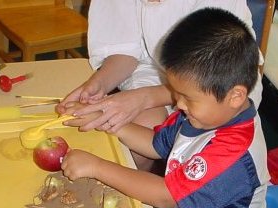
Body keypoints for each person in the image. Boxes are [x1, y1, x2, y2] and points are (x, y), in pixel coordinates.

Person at [61, 7, 272, 208]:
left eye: (187, 97)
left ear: (235, 95)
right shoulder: (201, 115)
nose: (179, 105)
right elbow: (155, 144)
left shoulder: (234, 151)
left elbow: (165, 194)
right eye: (177, 94)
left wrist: (96, 166)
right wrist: (108, 123)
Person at [56, 0, 264, 171]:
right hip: (157, 69)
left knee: (140, 130)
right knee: (136, 128)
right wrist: (99, 83)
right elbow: (125, 49)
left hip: (214, 82)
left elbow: (212, 79)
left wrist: (100, 167)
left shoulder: (226, 120)